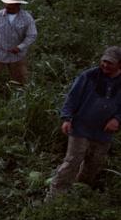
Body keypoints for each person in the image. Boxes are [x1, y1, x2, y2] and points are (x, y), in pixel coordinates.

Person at [48, 46, 121, 197]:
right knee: (73, 161)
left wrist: (117, 119)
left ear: (119, 64)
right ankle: (55, 196)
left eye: (110, 63)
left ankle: (80, 191)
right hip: (81, 126)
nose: (105, 65)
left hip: (103, 132)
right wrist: (67, 118)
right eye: (104, 61)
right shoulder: (89, 76)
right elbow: (72, 97)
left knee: (94, 163)